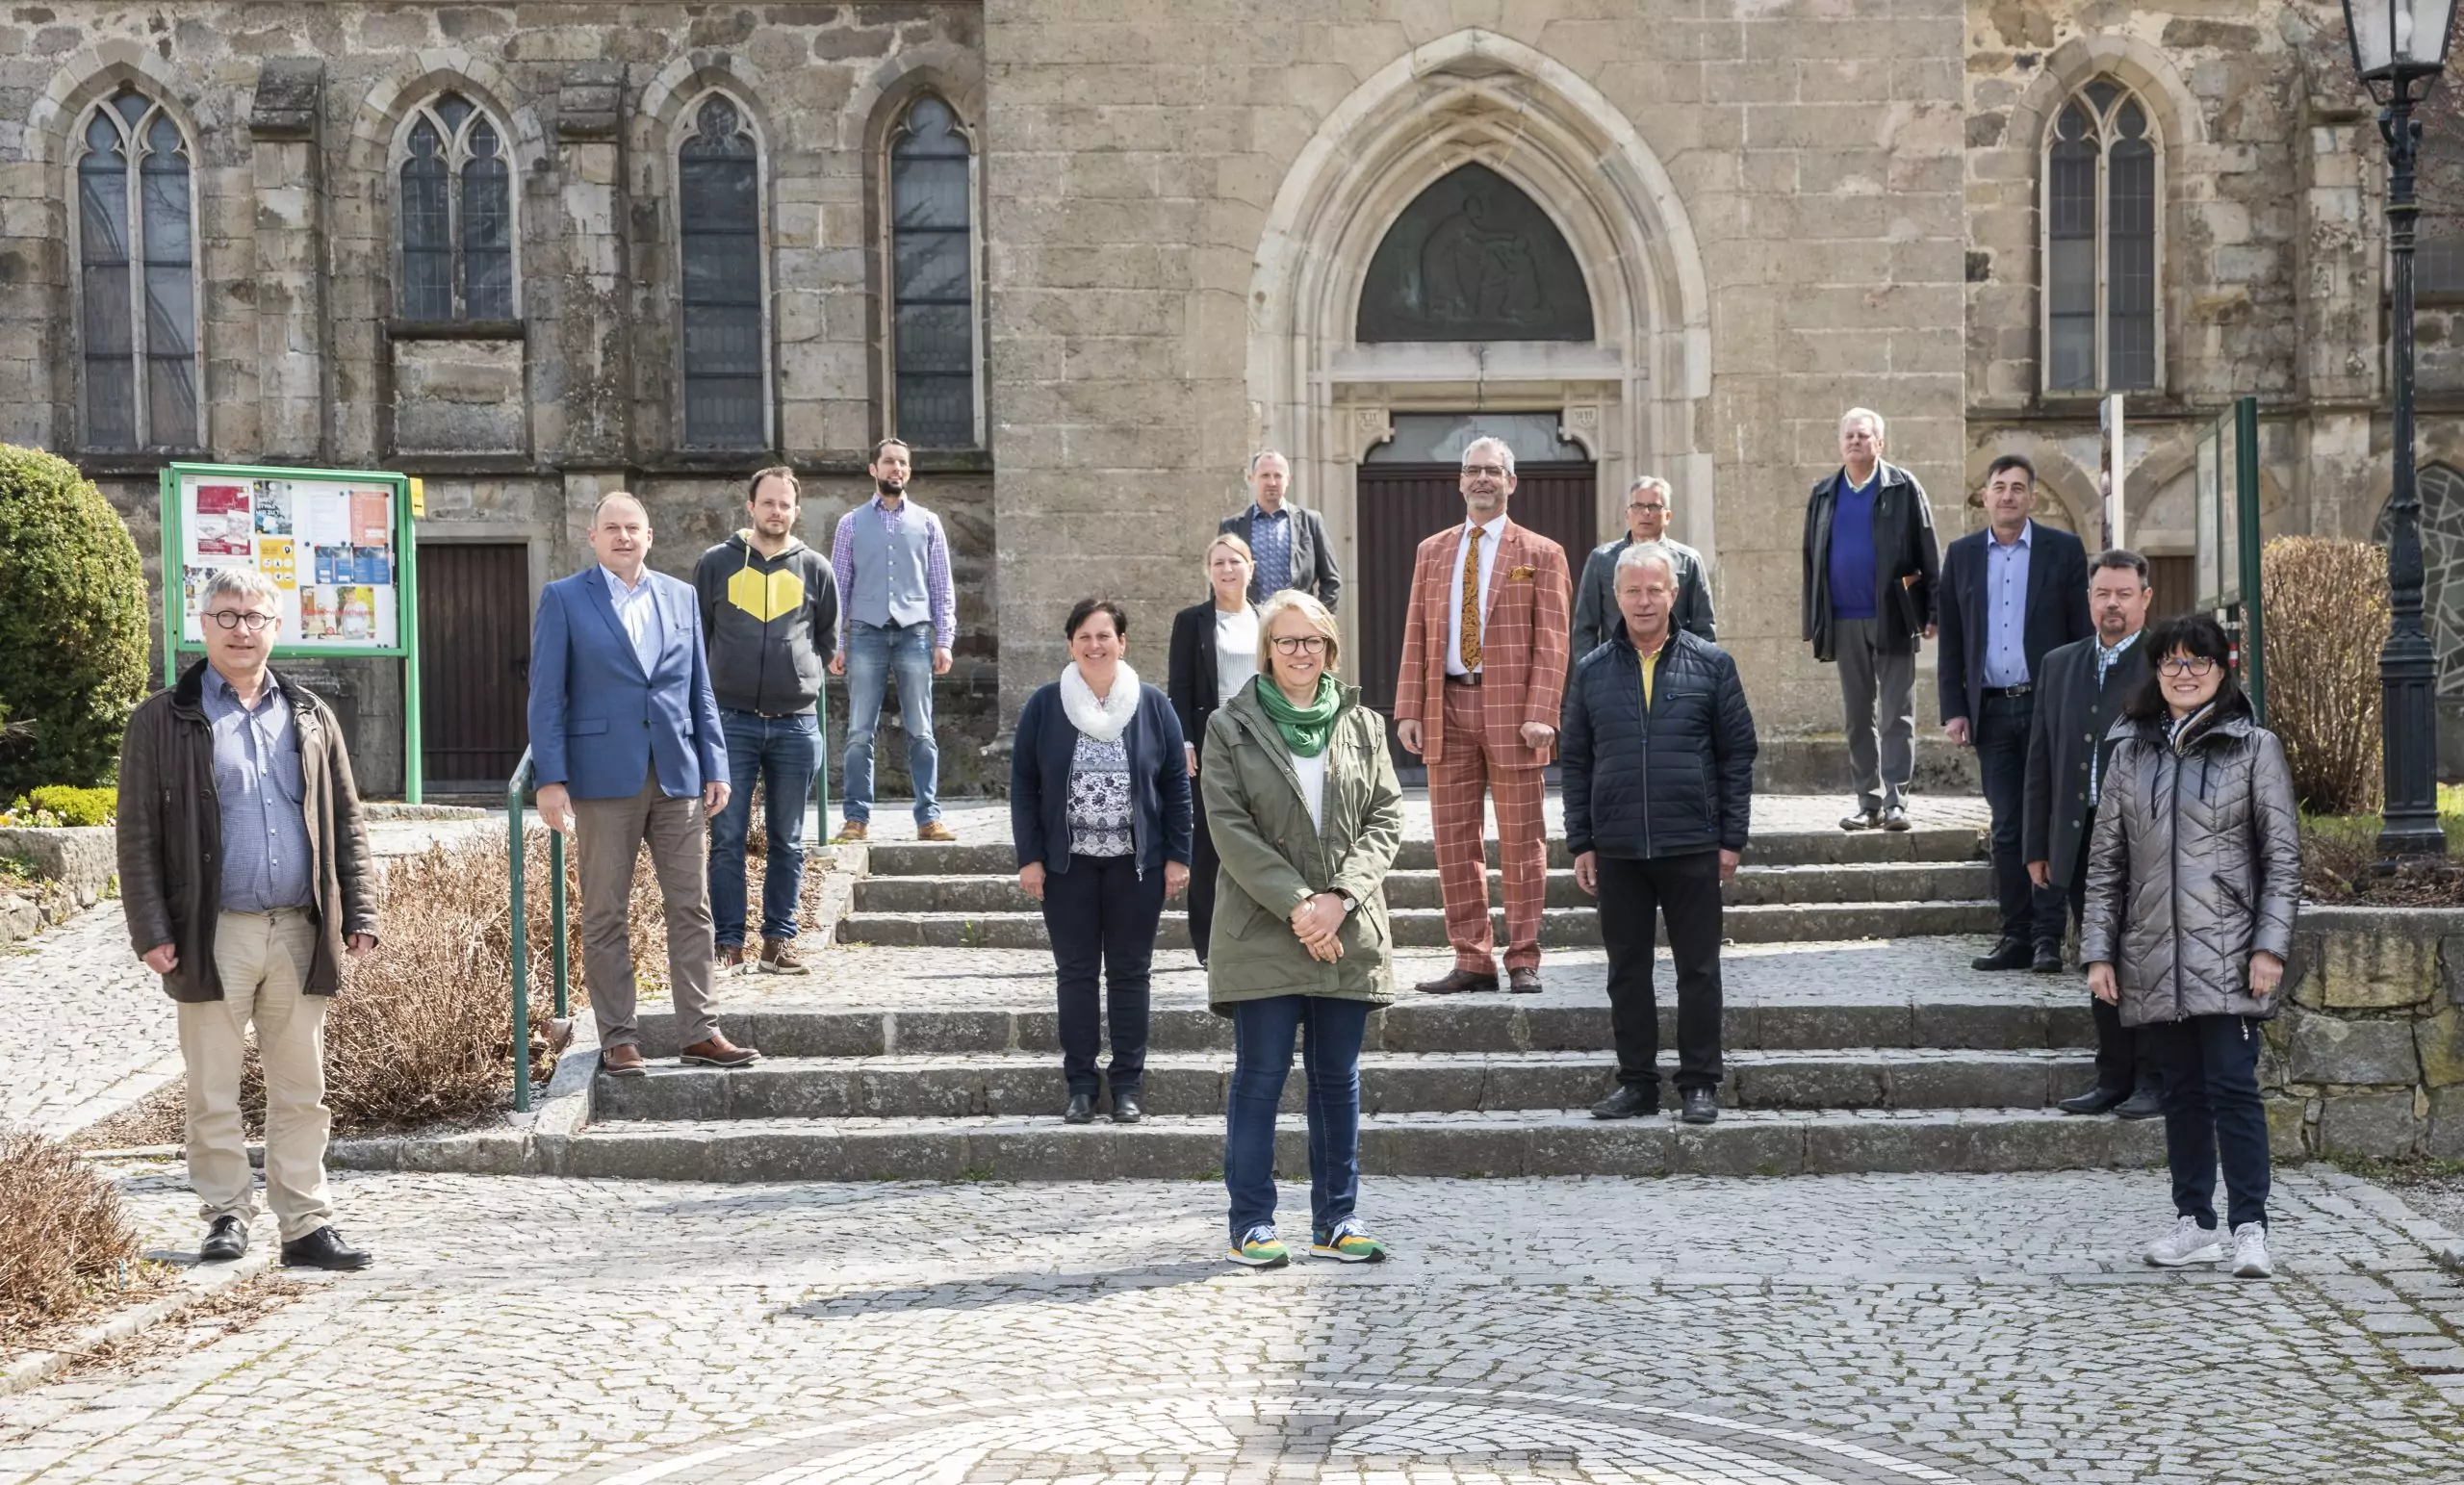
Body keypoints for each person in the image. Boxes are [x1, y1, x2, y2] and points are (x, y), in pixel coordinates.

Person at [115, 567, 379, 1271]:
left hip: (300, 927)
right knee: (213, 1087)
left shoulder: (311, 715)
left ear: (275, 627)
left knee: (302, 1088)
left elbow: (346, 820)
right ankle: (226, 1213)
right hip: (212, 929)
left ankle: (305, 1224)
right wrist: (151, 927)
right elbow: (135, 833)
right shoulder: (161, 720)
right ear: (201, 626)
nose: (240, 628)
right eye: (226, 615)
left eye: (254, 615)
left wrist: (362, 909)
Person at [2081, 614, 2298, 1281]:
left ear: (2221, 670)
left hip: (2231, 952)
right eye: (2173, 661)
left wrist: (2270, 946)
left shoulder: (2253, 747)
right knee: (2180, 1091)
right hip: (2152, 954)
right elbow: (2105, 863)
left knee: (2232, 1087)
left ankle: (2250, 1227)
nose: (2184, 672)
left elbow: (2282, 858)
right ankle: (2195, 1221)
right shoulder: (2128, 753)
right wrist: (2099, 952)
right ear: (2158, 670)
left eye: (2198, 661)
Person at [1203, 590, 1404, 1267]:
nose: (1300, 653)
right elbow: (1230, 829)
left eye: (1312, 641)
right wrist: (1299, 905)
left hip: (1345, 926)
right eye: (1287, 641)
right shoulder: (1229, 727)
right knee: (1260, 1076)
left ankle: (1336, 1219)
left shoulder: (1363, 725)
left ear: (1330, 649)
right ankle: (1252, 1222)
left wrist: (1339, 900)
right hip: (1263, 928)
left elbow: (1386, 818)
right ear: (1267, 650)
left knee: (1336, 1078)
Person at [528, 492, 757, 1078]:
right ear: (593, 536)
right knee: (606, 912)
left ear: (649, 536)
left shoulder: (680, 597)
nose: (623, 537)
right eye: (612, 528)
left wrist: (716, 764)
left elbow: (698, 689)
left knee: (693, 907)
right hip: (603, 778)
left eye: (633, 528)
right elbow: (547, 696)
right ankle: (619, 1038)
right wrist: (550, 778)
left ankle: (700, 1032)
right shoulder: (563, 599)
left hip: (678, 773)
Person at [1562, 541, 1758, 1125]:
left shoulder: (1713, 664)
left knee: (1698, 970)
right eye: (1632, 591)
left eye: (1655, 590)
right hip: (1619, 847)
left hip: (1692, 843)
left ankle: (1700, 1082)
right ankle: (1637, 1083)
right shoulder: (1592, 671)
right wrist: (1582, 842)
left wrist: (1732, 839)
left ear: (1674, 594)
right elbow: (1575, 760)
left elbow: (1737, 754)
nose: (1643, 601)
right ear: (1615, 596)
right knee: (1627, 973)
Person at [1393, 435, 1573, 995]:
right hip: (1446, 703)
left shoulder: (1541, 553)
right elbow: (1418, 634)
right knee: (1453, 840)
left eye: (1492, 471)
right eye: (1472, 470)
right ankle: (1472, 957)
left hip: (1514, 709)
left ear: (1511, 482)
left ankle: (1522, 956)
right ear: (1460, 481)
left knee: (1522, 838)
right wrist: (1408, 709)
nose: (1481, 480)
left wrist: (1543, 710)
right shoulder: (1433, 550)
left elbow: (1555, 640)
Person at [1012, 599, 1193, 1123]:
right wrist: (1030, 857)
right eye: (1085, 636)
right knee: (1076, 974)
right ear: (1071, 644)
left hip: (1135, 867)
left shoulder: (1152, 704)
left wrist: (1179, 855)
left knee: (1131, 975)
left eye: (1105, 636)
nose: (1095, 645)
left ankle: (1129, 1085)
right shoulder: (1046, 705)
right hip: (1068, 867)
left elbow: (1175, 786)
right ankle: (1082, 1087)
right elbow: (1024, 785)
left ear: (1122, 643)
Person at [1937, 454, 2092, 972]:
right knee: (2006, 826)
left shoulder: (2063, 551)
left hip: (2048, 707)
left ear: (2032, 498)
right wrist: (1955, 708)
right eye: (1999, 487)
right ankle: (2016, 935)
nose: (2008, 496)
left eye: (2018, 488)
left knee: (2047, 821)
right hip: (1992, 712)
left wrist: (2079, 705)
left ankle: (2049, 936)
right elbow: (1953, 641)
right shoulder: (1960, 556)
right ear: (1984, 495)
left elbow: (2080, 636)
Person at [2027, 549, 2164, 1118]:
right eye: (2103, 594)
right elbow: (2041, 760)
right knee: (2099, 958)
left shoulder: (2166, 665)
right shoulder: (2060, 664)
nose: (2113, 604)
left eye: (2124, 594)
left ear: (2145, 599)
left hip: (2147, 843)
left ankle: (2154, 1079)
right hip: (2079, 843)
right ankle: (2112, 1076)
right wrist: (2037, 844)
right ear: (2089, 599)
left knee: (2147, 960)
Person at [695, 465, 841, 974]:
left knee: (788, 839)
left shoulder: (815, 568)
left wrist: (796, 678)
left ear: (796, 511)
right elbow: (700, 635)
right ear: (750, 506)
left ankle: (779, 942)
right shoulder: (715, 563)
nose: (776, 512)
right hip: (730, 722)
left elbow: (826, 639)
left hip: (796, 725)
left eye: (785, 504)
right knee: (727, 837)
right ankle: (728, 944)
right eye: (768, 503)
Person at [1801, 407, 1939, 832]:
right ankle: (1868, 802)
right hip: (1844, 618)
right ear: (1840, 444)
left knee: (1897, 712)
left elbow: (1927, 547)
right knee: (1858, 715)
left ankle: (1897, 800)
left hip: (1894, 615)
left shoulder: (1903, 487)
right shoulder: (1824, 493)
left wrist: (1932, 611)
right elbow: (1811, 560)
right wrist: (1813, 619)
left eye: (1863, 436)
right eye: (1849, 436)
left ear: (1880, 442)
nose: (1855, 442)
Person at [829, 437, 958, 843]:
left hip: (916, 635)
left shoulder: (928, 521)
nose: (896, 469)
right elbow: (838, 587)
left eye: (902, 463)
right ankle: (856, 818)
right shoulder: (850, 523)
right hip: (865, 632)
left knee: (921, 731)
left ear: (909, 471)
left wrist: (945, 639)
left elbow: (942, 585)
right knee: (858, 732)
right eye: (888, 463)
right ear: (874, 470)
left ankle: (929, 818)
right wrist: (837, 642)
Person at [1168, 533, 1260, 966]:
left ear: (1250, 568)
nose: (1227, 569)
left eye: (1235, 561)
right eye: (1219, 562)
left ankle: (1258, 932)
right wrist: (1185, 740)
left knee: (1261, 836)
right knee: (1208, 842)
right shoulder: (1192, 621)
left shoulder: (1266, 620)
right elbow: (1180, 688)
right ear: (1209, 571)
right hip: (1212, 741)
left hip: (1262, 741)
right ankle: (1206, 943)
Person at [1572, 475, 1715, 655]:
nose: (1646, 513)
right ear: (1627, 514)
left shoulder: (1688, 560)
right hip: (1615, 667)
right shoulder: (1602, 559)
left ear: (1668, 516)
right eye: (1638, 506)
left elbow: (1704, 628)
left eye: (1654, 506)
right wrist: (1591, 674)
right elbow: (1585, 629)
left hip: (1676, 667)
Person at [1219, 449, 1341, 607]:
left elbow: (1331, 580)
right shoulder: (1232, 526)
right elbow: (1219, 581)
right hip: (1248, 623)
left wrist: (1319, 619)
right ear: (1252, 479)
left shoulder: (1310, 522)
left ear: (1288, 479)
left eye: (1278, 476)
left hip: (1297, 623)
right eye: (1265, 476)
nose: (1272, 482)